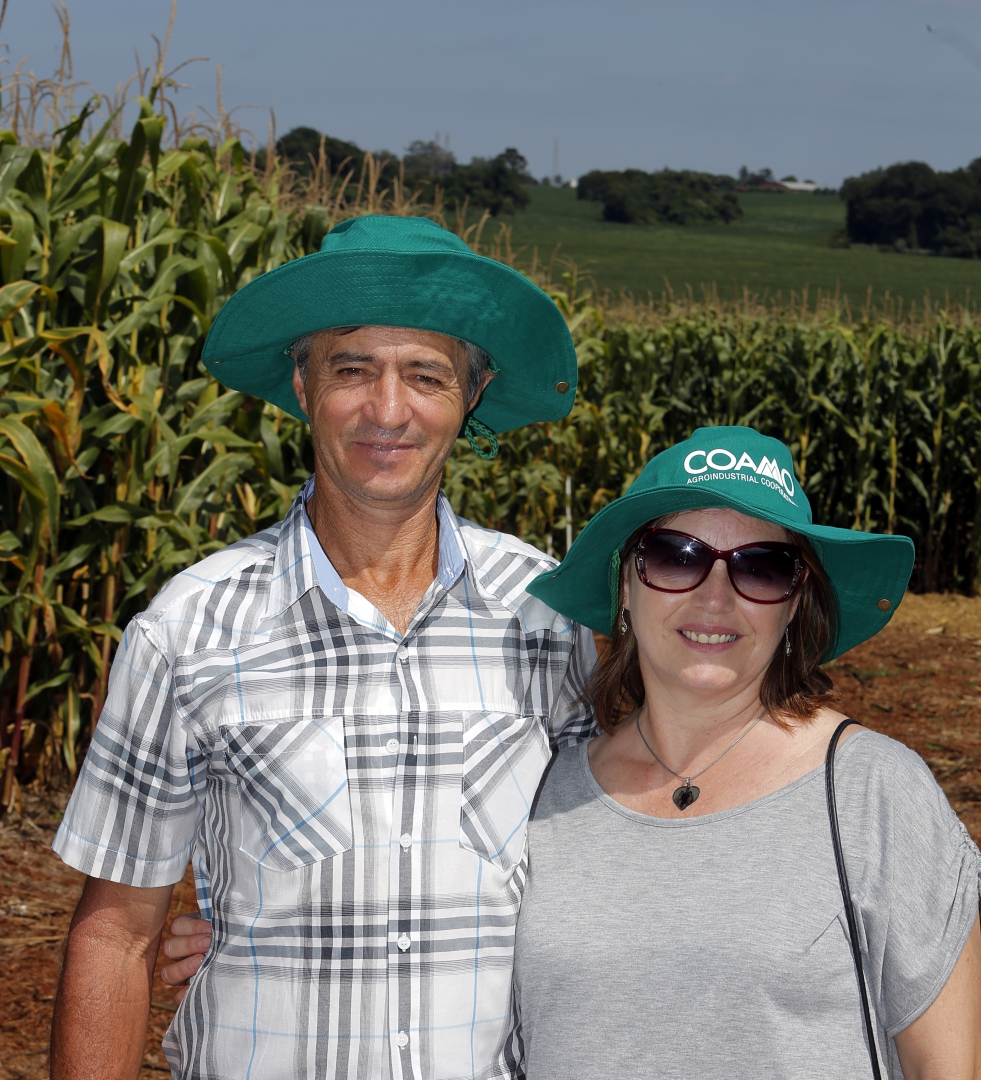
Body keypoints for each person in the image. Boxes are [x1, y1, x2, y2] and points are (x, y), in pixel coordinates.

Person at [49, 215, 597, 1080]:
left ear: (472, 394)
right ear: (302, 385)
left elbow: (623, 873)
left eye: (426, 375)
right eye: (351, 370)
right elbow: (116, 935)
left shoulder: (551, 619)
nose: (388, 410)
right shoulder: (188, 630)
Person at [514, 425, 981, 1080]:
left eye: (761, 567)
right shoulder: (542, 792)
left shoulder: (871, 791)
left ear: (794, 606)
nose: (715, 595)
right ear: (625, 584)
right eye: (676, 557)